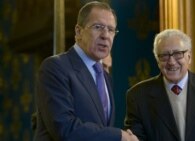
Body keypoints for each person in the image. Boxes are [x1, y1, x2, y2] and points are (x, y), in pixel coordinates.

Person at [34, 1, 138, 141]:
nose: (105, 35)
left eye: (111, 29)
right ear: (78, 31)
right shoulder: (55, 67)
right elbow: (65, 128)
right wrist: (119, 136)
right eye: (98, 27)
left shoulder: (105, 77)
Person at [124, 29, 195, 141]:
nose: (171, 61)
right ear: (158, 61)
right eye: (164, 55)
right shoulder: (137, 96)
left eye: (178, 54)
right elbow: (135, 138)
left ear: (189, 57)